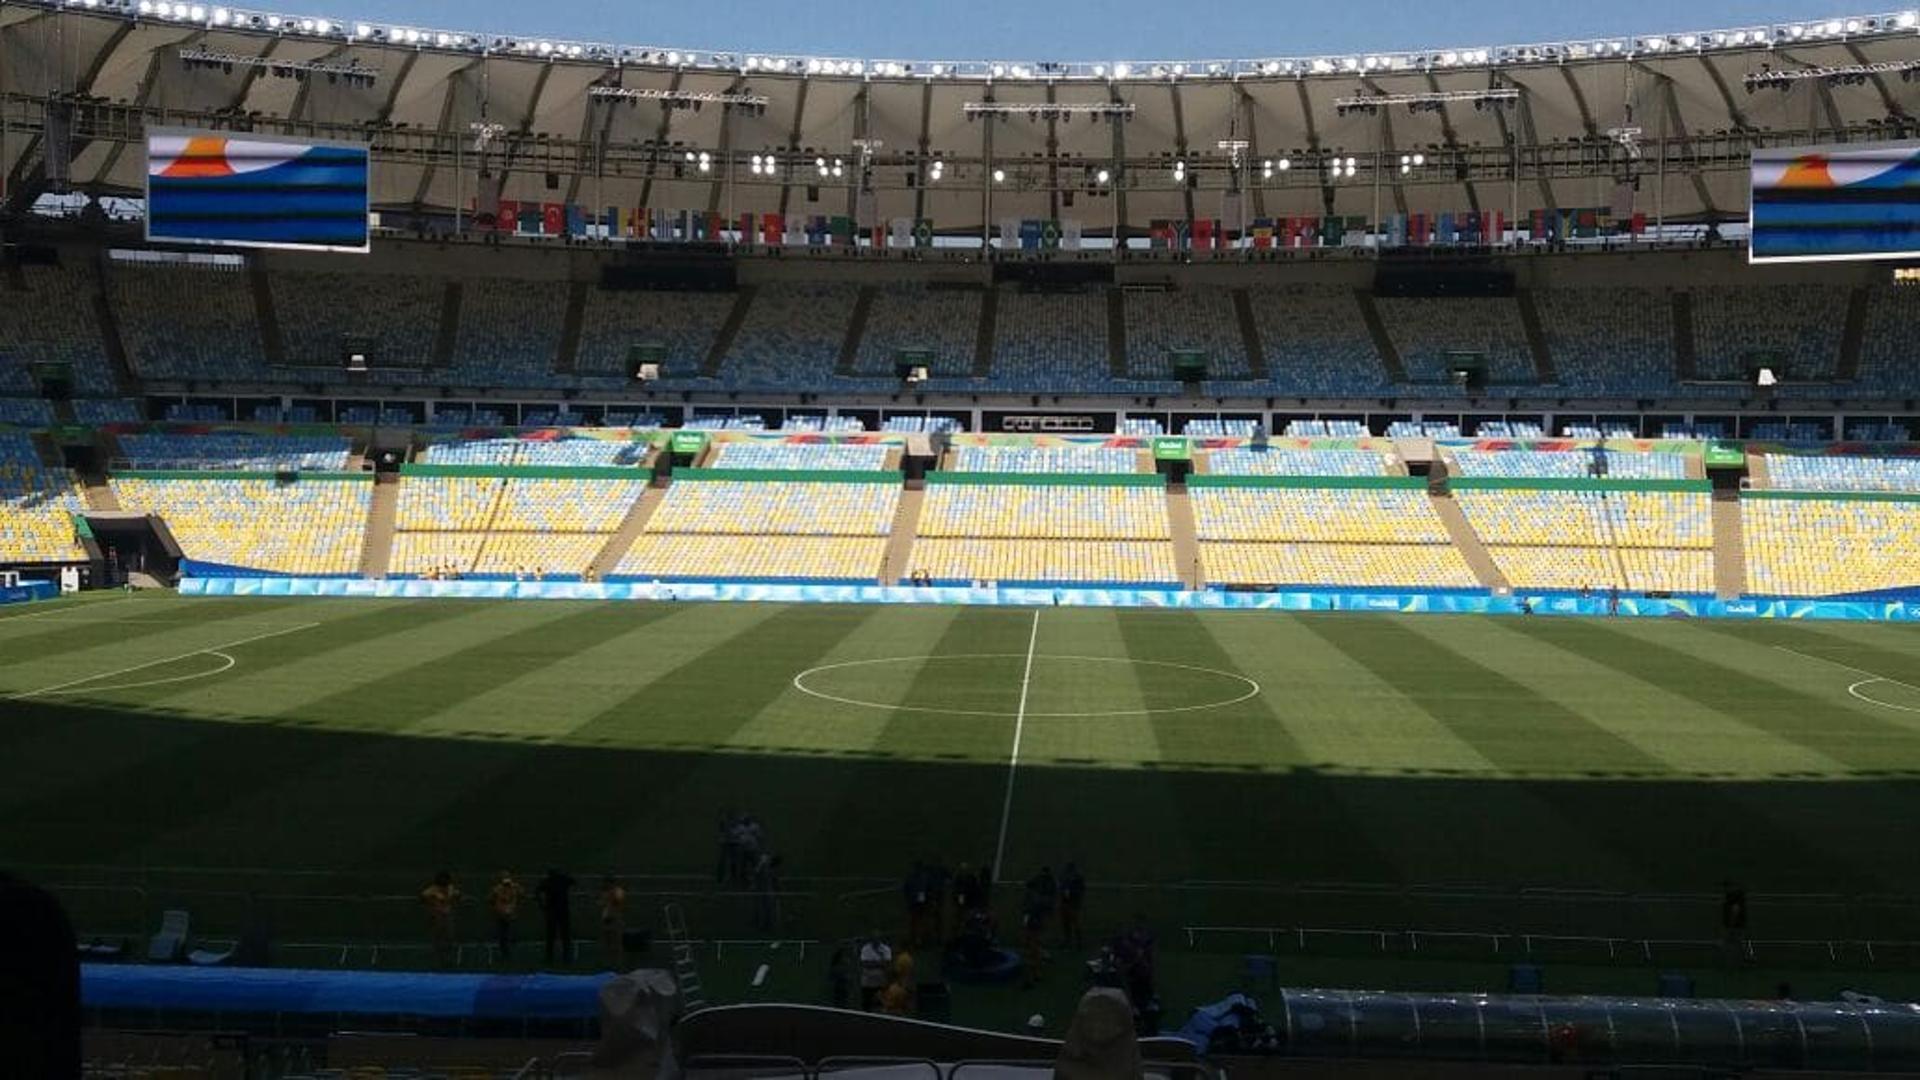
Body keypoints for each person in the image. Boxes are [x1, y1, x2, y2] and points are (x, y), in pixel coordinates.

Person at [420, 870, 460, 967]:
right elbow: (423, 896)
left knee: (449, 938)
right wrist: (432, 904)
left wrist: (454, 898)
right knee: (438, 938)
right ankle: (438, 960)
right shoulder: (432, 890)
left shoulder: (450, 888)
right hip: (437, 916)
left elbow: (457, 894)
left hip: (447, 915)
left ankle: (447, 958)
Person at [537, 868, 576, 966]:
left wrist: (542, 905)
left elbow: (537, 892)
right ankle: (566, 957)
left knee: (551, 935)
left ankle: (550, 957)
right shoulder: (563, 879)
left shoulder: (547, 882)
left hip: (552, 912)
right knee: (565, 935)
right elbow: (574, 881)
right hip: (563, 911)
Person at [488, 870, 523, 963]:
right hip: (501, 913)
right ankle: (504, 952)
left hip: (509, 913)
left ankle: (507, 951)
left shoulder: (514, 888)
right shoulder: (498, 889)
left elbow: (521, 894)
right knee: (503, 933)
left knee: (507, 933)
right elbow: (491, 898)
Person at [857, 931, 893, 1010]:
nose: (875, 939)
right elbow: (865, 964)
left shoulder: (886, 949)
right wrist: (880, 963)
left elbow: (887, 964)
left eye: (877, 938)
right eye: (874, 938)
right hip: (868, 981)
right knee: (867, 1003)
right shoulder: (865, 949)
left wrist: (872, 963)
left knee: (881, 1003)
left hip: (881, 981)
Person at [599, 874, 628, 970]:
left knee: (617, 944)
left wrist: (609, 896)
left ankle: (618, 965)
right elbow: (603, 904)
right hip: (606, 919)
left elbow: (618, 902)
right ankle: (608, 964)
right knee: (606, 943)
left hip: (615, 919)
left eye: (606, 882)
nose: (604, 884)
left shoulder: (618, 891)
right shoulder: (605, 892)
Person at [1059, 862, 1086, 949]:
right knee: (1067, 923)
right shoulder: (1067, 878)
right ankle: (1069, 941)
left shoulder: (1077, 879)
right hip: (1067, 903)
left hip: (1073, 903)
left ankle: (1078, 942)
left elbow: (1081, 890)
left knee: (1074, 923)